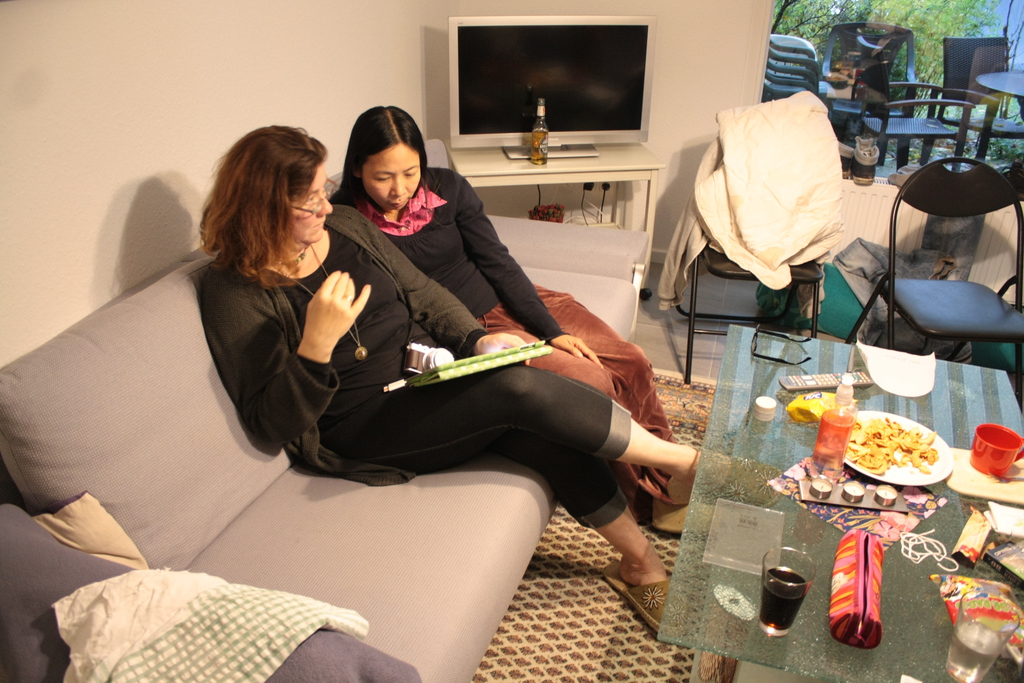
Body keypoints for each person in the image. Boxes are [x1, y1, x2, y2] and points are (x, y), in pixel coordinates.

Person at [198, 125, 700, 630]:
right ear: (263, 208)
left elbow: (421, 291)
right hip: (361, 423)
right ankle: (684, 464)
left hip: (427, 377)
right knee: (514, 389)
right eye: (310, 201)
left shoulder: (346, 225)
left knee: (540, 426)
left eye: (322, 191)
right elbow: (269, 423)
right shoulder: (234, 291)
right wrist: (314, 350)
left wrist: (476, 341)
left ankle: (640, 563)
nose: (326, 207)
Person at [332, 106, 685, 529]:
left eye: (410, 172)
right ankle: (646, 504)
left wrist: (551, 330)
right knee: (592, 381)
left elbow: (497, 261)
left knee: (631, 360)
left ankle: (673, 479)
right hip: (469, 330)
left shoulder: (447, 189)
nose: (399, 189)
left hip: (513, 299)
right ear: (357, 168)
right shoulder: (346, 224)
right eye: (383, 177)